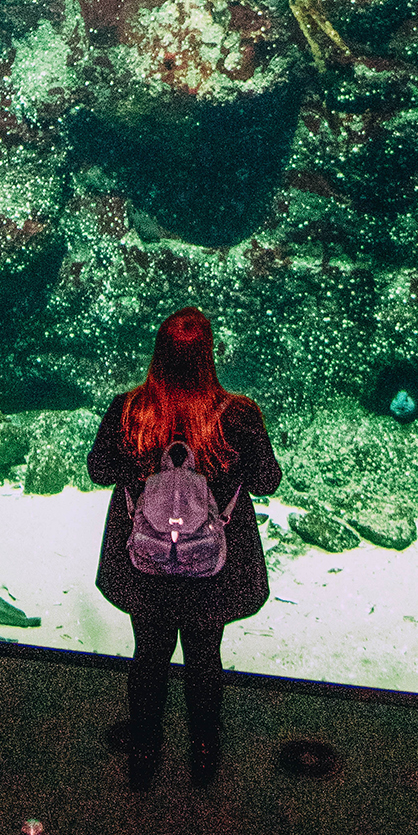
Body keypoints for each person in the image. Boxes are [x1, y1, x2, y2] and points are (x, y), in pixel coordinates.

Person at [87, 307, 282, 792]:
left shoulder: (128, 410)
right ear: (209, 357)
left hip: (145, 566)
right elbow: (267, 480)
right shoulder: (239, 416)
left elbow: (97, 470)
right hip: (211, 569)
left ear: (157, 353)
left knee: (148, 654)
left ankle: (143, 753)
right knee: (204, 656)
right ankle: (203, 752)